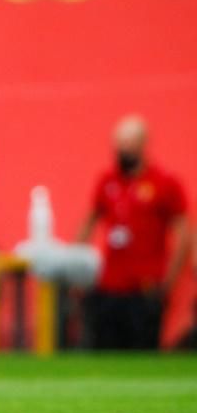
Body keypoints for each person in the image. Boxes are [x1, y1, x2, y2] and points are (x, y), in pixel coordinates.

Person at [77, 116, 190, 349]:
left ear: (143, 144)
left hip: (146, 287)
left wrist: (169, 280)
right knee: (105, 354)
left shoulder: (164, 183)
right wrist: (78, 265)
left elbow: (184, 232)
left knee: (143, 353)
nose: (122, 150)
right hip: (109, 287)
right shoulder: (107, 181)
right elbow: (89, 222)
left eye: (128, 143)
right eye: (119, 144)